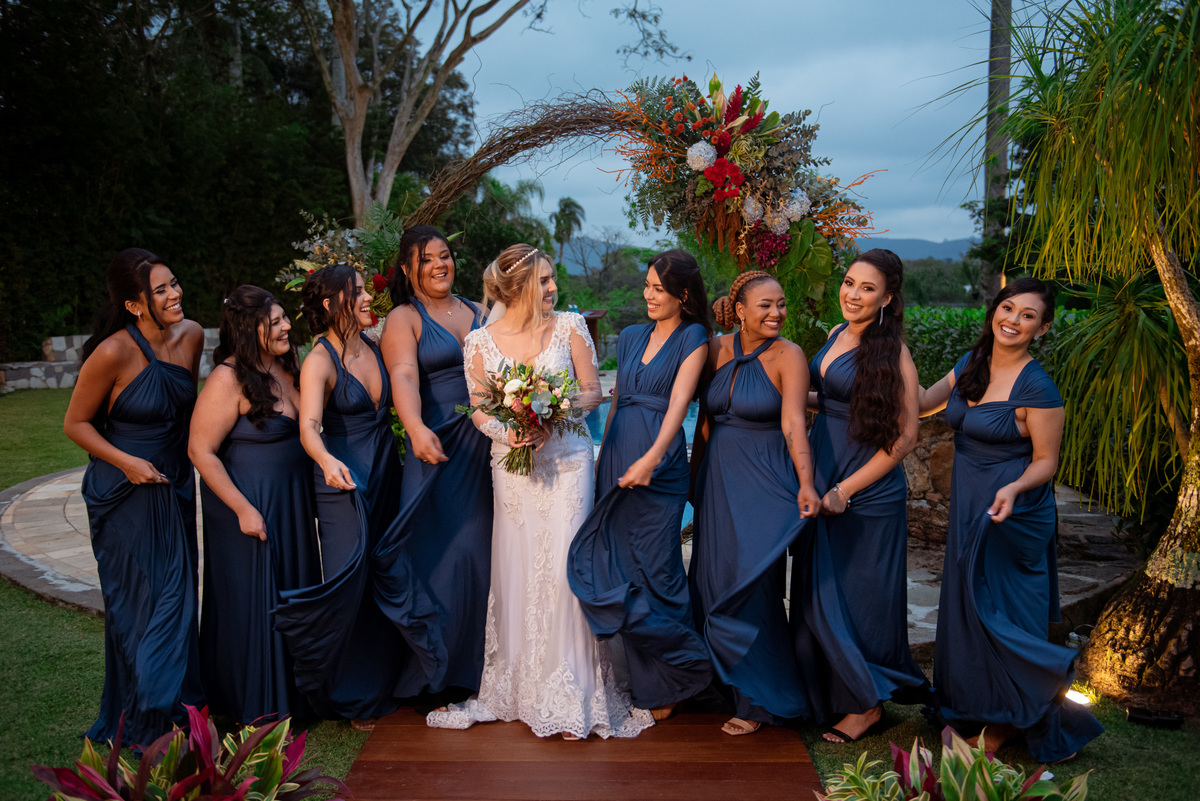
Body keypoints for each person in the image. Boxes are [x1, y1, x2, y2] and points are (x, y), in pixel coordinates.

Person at [426, 244, 654, 739]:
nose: (553, 289)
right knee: (520, 565)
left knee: (566, 566)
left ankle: (574, 688)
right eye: (544, 281)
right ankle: (520, 687)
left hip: (569, 461)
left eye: (553, 279)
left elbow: (593, 390)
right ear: (518, 288)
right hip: (512, 467)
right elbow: (481, 408)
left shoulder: (571, 328)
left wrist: (557, 412)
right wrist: (511, 432)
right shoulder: (479, 342)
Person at [919, 278, 1102, 761]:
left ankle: (1005, 726)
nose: (1013, 320)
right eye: (1008, 308)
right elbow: (920, 403)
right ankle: (976, 704)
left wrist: (1013, 488)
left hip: (1013, 510)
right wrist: (874, 340)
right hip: (971, 503)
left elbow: (1047, 460)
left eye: (1027, 316)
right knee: (967, 605)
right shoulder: (970, 364)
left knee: (1004, 614)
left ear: (1042, 329)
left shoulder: (1038, 385)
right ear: (994, 310)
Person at [63, 248, 205, 745]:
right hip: (124, 492)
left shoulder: (191, 336)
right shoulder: (113, 353)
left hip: (175, 487)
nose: (175, 293)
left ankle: (179, 712)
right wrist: (128, 463)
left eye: (174, 283)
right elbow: (75, 423)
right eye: (161, 289)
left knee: (179, 599)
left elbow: (187, 415)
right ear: (134, 304)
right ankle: (145, 719)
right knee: (140, 604)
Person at [791, 248, 929, 744]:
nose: (852, 294)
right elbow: (824, 398)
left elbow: (906, 436)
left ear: (888, 298)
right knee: (814, 588)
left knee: (860, 598)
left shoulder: (893, 354)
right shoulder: (834, 334)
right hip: (822, 473)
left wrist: (847, 489)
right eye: (849, 283)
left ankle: (867, 704)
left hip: (865, 491)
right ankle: (829, 692)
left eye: (867, 288)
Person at [567, 249, 712, 720]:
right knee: (621, 569)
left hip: (659, 465)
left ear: (683, 294)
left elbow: (679, 406)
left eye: (657, 288)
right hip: (617, 457)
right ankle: (648, 680)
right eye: (646, 286)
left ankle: (679, 676)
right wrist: (598, 460)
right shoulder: (630, 337)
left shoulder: (694, 337)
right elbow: (615, 405)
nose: (647, 295)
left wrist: (652, 458)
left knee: (661, 571)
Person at [273, 264, 407, 729]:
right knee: (351, 581)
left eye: (368, 290)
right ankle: (350, 694)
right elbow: (308, 427)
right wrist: (328, 462)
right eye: (357, 292)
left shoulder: (373, 345)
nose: (369, 298)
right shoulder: (319, 360)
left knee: (386, 573)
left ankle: (387, 678)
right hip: (342, 483)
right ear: (331, 303)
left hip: (387, 472)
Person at [688, 270, 821, 736]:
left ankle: (760, 700)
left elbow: (793, 425)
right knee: (709, 580)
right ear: (739, 310)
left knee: (754, 587)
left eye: (781, 304)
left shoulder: (790, 355)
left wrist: (806, 483)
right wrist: (692, 478)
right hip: (716, 481)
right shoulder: (715, 349)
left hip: (765, 482)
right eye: (765, 305)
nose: (776, 313)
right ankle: (721, 684)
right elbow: (704, 422)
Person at [189, 285, 320, 723]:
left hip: (292, 504)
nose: (286, 327)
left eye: (285, 318)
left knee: (292, 594)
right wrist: (243, 509)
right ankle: (257, 702)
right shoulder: (227, 378)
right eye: (275, 321)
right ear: (249, 329)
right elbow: (200, 450)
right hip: (251, 507)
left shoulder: (285, 366)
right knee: (257, 601)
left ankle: (298, 696)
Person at [378, 225, 493, 699]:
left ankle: (482, 669)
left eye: (444, 255)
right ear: (408, 269)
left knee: (484, 552)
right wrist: (415, 426)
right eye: (426, 259)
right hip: (437, 445)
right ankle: (436, 671)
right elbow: (404, 374)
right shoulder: (405, 318)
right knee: (441, 553)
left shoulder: (481, 312)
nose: (439, 264)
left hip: (487, 445)